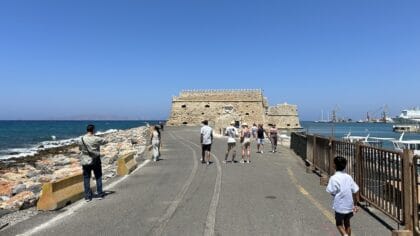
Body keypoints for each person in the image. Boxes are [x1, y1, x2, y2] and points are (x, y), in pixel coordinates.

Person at [326, 156, 360, 236]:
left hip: (340, 206)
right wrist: (356, 204)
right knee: (347, 223)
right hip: (349, 205)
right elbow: (356, 190)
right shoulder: (348, 177)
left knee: (338, 224)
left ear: (334, 165)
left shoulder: (333, 178)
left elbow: (331, 191)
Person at [78, 124, 107, 202]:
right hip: (95, 160)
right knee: (98, 176)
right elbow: (105, 141)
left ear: (86, 130)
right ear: (93, 130)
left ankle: (87, 196)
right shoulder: (96, 138)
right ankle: (99, 194)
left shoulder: (81, 139)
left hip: (85, 161)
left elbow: (80, 148)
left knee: (86, 178)